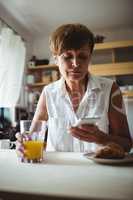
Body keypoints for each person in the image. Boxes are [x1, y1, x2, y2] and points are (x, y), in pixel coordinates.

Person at [17, 23, 132, 156]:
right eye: (67, 57)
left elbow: (127, 144)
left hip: (98, 173)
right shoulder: (48, 93)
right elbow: (32, 138)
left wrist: (102, 138)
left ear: (90, 57)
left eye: (82, 56)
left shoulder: (110, 89)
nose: (76, 64)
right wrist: (23, 144)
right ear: (56, 60)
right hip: (56, 175)